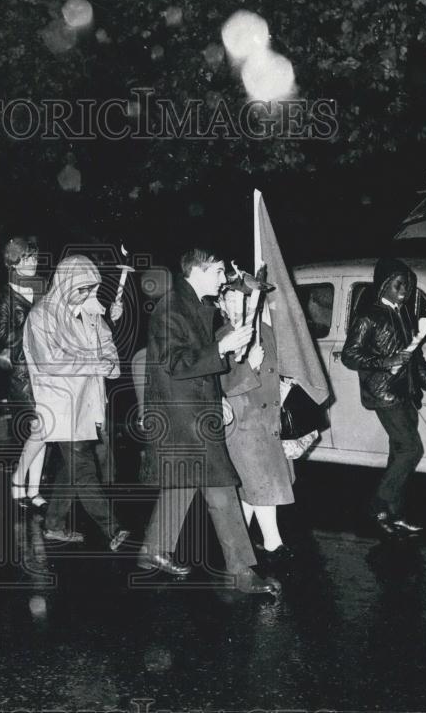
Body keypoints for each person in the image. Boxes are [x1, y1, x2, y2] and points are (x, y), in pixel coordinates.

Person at [138, 247, 280, 595]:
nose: (223, 279)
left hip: (193, 411)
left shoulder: (194, 306)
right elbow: (175, 363)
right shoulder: (171, 308)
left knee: (184, 482)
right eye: (218, 271)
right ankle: (241, 572)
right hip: (184, 416)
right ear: (198, 271)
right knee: (221, 487)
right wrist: (221, 349)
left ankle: (152, 551)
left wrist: (222, 374)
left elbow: (196, 364)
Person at [23, 254, 130, 549]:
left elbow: (108, 349)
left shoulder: (91, 313)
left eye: (91, 288)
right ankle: (113, 528)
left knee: (73, 467)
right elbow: (49, 361)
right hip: (58, 402)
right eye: (82, 288)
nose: (88, 294)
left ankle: (54, 525)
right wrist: (94, 363)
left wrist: (109, 363)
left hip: (88, 402)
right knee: (83, 467)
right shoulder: (41, 315)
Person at [341, 257, 426, 538]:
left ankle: (393, 514)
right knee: (411, 450)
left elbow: (416, 357)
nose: (404, 290)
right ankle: (376, 504)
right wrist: (386, 360)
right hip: (384, 392)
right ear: (383, 286)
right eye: (398, 285)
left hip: (406, 391)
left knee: (397, 455)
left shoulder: (404, 315)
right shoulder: (368, 316)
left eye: (408, 285)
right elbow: (350, 356)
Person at [217, 276, 295, 565]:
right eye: (232, 299)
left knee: (253, 487)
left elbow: (279, 371)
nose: (239, 305)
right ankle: (272, 543)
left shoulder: (264, 332)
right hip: (242, 421)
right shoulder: (222, 337)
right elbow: (221, 385)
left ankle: (237, 544)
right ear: (221, 303)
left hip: (268, 420)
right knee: (262, 483)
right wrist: (249, 366)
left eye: (246, 299)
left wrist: (286, 386)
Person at [0, 236, 48, 509]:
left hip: (46, 368)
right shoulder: (5, 294)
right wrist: (32, 327)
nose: (33, 262)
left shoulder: (42, 288)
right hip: (23, 372)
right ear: (13, 262)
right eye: (27, 258)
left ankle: (33, 490)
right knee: (39, 428)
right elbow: (1, 333)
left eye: (35, 257)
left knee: (44, 430)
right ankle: (17, 481)